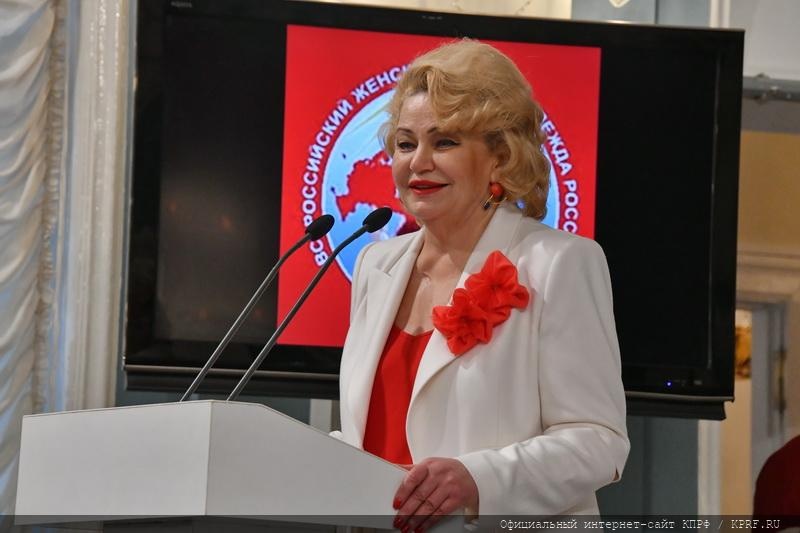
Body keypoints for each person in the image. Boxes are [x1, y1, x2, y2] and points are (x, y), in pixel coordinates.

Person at [334, 39, 629, 531]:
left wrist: (479, 480)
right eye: (405, 144)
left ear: (500, 157)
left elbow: (599, 441)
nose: (418, 162)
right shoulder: (375, 265)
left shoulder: (559, 263)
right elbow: (368, 436)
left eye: (444, 142)